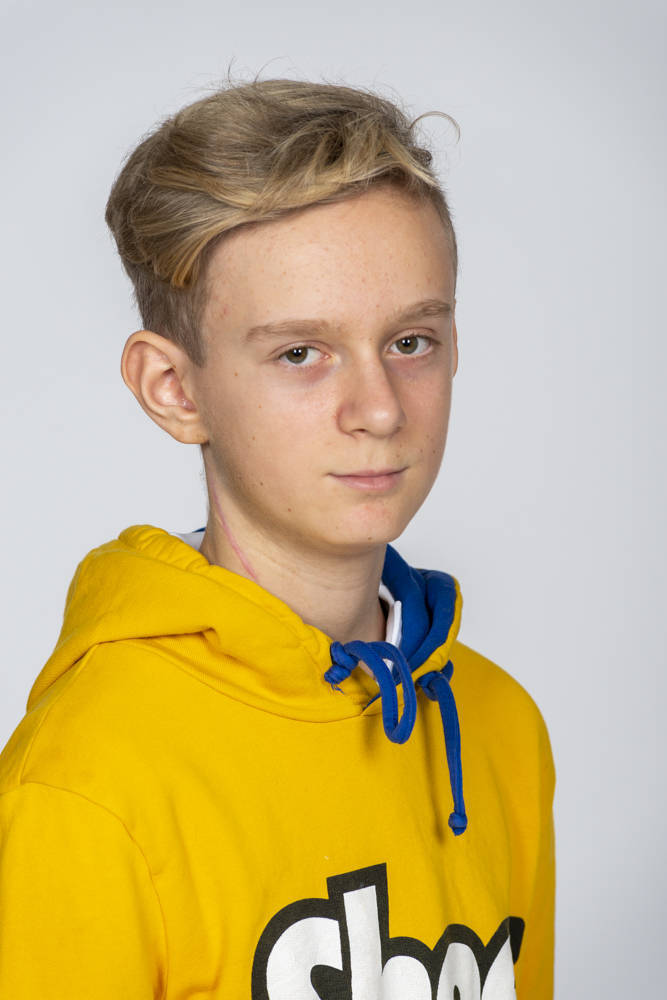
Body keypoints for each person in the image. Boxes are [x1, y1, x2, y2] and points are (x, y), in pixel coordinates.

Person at [0, 78, 555, 998]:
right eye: (301, 353)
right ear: (174, 389)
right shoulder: (86, 783)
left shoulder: (501, 726)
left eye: (410, 341)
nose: (379, 409)